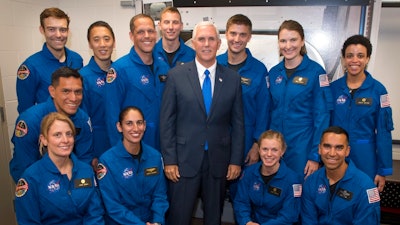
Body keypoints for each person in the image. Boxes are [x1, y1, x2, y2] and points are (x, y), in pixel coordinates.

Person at [160, 21, 244, 225]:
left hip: (218, 161)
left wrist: (235, 160)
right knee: (179, 217)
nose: (206, 44)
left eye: (211, 39)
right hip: (183, 160)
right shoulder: (176, 76)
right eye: (201, 39)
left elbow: (239, 123)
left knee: (214, 217)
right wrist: (169, 159)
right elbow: (166, 121)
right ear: (194, 44)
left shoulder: (232, 79)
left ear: (219, 43)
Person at [268, 20, 332, 178]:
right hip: (275, 149)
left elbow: (322, 117)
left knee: (299, 193)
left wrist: (315, 156)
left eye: (293, 40)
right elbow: (269, 111)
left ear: (302, 41)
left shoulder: (316, 72)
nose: (288, 46)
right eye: (283, 41)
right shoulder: (274, 73)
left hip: (302, 149)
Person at [14, 112, 104, 225]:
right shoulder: (31, 178)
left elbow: (94, 214)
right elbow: (28, 222)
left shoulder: (85, 171)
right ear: (44, 139)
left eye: (69, 134)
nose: (65, 140)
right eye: (57, 135)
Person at [330, 35, 393, 192]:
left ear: (367, 59)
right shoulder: (332, 89)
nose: (354, 60)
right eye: (350, 56)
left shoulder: (379, 91)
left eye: (360, 56)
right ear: (344, 59)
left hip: (365, 158)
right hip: (335, 156)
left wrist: (383, 170)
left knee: (365, 200)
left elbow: (384, 131)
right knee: (336, 199)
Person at [9, 67, 93, 183]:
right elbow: (24, 165)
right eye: (66, 91)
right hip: (34, 181)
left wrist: (79, 187)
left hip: (69, 177)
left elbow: (85, 158)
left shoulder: (82, 119)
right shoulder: (30, 120)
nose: (73, 98)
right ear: (52, 91)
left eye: (78, 92)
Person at [105, 14, 169, 150]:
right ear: (131, 36)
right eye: (140, 32)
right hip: (133, 148)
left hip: (162, 146)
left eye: (151, 31)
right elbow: (112, 117)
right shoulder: (119, 70)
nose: (147, 36)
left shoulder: (164, 66)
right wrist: (120, 153)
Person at [97, 106, 168, 225]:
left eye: (139, 123)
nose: (135, 128)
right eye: (129, 123)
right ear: (119, 127)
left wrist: (157, 221)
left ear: (144, 125)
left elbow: (160, 195)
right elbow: (113, 206)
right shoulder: (106, 161)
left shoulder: (155, 157)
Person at [217, 14, 270, 166]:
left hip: (247, 141)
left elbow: (263, 111)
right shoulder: (214, 64)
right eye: (233, 33)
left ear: (249, 37)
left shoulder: (259, 70)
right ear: (226, 34)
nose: (237, 39)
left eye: (243, 35)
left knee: (242, 187)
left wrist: (256, 144)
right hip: (217, 140)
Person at [301, 126, 381, 224]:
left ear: (347, 151)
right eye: (327, 146)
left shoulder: (365, 187)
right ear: (319, 149)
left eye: (339, 147)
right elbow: (308, 221)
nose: (332, 153)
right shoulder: (311, 182)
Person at [16, 7, 83, 113]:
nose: (58, 35)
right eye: (51, 29)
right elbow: (26, 110)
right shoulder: (30, 67)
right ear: (42, 30)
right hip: (47, 126)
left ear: (68, 31)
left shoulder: (76, 59)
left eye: (63, 30)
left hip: (74, 125)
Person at [233, 130, 302, 225]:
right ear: (259, 150)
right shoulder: (249, 173)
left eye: (274, 150)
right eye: (265, 149)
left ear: (282, 151)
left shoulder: (293, 180)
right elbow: (241, 202)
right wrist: (246, 222)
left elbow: (289, 216)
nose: (269, 154)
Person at [80, 21, 115, 161]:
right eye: (96, 40)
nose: (102, 44)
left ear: (114, 42)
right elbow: (81, 122)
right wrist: (90, 156)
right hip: (96, 149)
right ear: (89, 44)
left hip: (122, 146)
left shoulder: (121, 72)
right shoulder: (82, 78)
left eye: (107, 39)